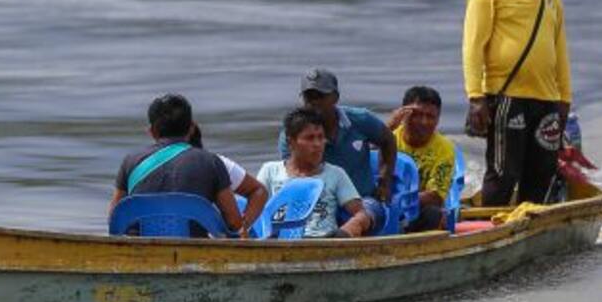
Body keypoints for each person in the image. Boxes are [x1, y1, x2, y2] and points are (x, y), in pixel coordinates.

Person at [462, 0, 572, 207]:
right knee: (503, 172)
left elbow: (560, 50)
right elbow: (473, 47)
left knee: (542, 172)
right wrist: (476, 97)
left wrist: (564, 100)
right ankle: (489, 229)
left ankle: (531, 229)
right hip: (507, 97)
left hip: (546, 98)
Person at [111, 93, 266, 238]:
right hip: (194, 251)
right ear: (191, 128)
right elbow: (233, 223)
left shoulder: (129, 162)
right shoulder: (211, 163)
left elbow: (114, 219)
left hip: (139, 253)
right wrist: (243, 228)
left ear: (152, 132)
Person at [277, 68, 398, 208]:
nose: (314, 102)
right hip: (319, 206)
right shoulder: (292, 135)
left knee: (367, 212)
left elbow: (388, 140)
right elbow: (291, 175)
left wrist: (384, 181)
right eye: (309, 97)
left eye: (320, 96)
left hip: (363, 200)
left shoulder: (361, 120)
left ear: (335, 97)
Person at [259, 107, 380, 237]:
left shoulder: (335, 174)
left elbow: (361, 213)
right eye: (309, 138)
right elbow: (253, 209)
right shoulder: (270, 171)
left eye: (321, 137)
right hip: (277, 240)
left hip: (325, 241)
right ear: (291, 142)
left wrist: (348, 229)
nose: (317, 144)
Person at [387, 85, 458, 230]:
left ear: (438, 119)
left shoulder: (445, 149)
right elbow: (362, 161)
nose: (424, 122)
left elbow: (436, 196)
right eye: (417, 114)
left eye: (430, 116)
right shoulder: (388, 138)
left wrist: (399, 201)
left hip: (416, 211)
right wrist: (387, 129)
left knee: (434, 213)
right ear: (404, 114)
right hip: (384, 208)